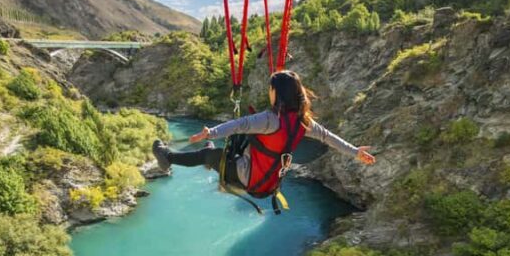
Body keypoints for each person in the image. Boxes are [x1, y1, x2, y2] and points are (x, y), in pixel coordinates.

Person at [152, 70, 375, 199]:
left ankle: (166, 157)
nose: (269, 92)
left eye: (271, 88)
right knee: (213, 154)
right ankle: (204, 155)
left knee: (208, 155)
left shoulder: (269, 119)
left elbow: (239, 124)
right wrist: (355, 152)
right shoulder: (304, 122)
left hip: (248, 178)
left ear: (277, 93)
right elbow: (329, 137)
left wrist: (210, 132)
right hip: (267, 186)